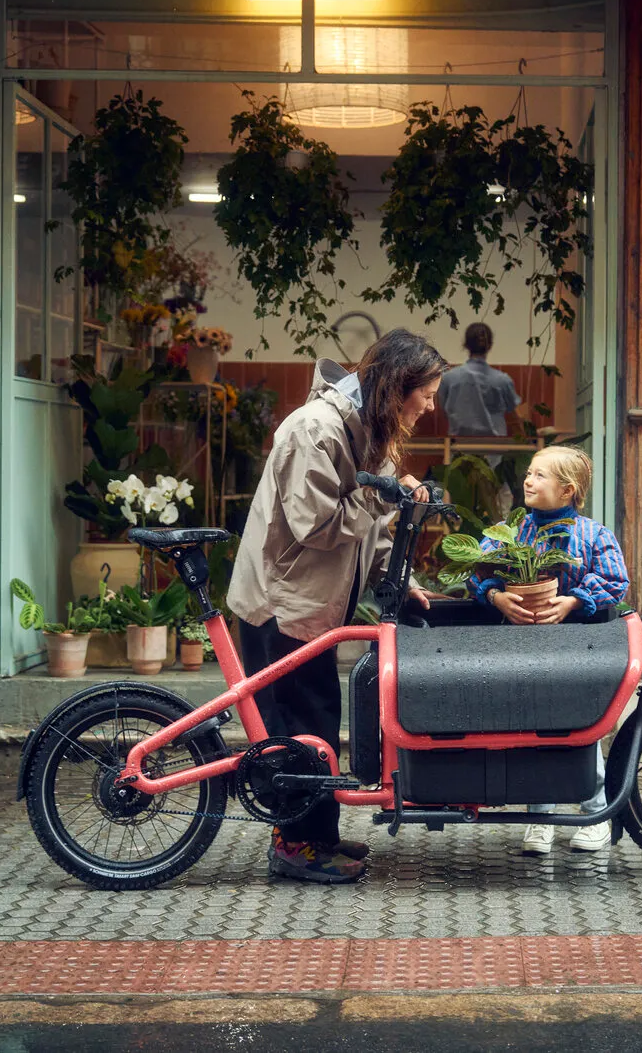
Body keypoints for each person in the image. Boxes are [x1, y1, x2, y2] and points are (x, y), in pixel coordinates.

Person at [228, 329, 443, 883]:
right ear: (398, 388)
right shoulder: (314, 431)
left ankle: (316, 836)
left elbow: (369, 535)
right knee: (299, 726)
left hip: (314, 605)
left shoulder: (371, 436)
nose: (432, 406)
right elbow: (316, 526)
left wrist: (401, 579)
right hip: (281, 605)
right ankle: (294, 847)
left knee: (319, 722)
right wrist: (379, 493)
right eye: (428, 393)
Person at [471, 445, 630, 855]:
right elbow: (476, 572)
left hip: (575, 650)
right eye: (528, 472)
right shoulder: (514, 531)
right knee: (531, 727)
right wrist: (496, 597)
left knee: (582, 728)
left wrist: (574, 601)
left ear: (567, 491)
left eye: (540, 475)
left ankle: (595, 813)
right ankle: (539, 819)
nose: (528, 480)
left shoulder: (594, 535)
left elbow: (615, 580)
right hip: (522, 648)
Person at [436, 323, 523, 438]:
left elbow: (444, 410)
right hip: (494, 449)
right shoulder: (502, 380)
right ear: (490, 345)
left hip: (458, 448)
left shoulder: (448, 379)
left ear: (466, 345)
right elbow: (514, 414)